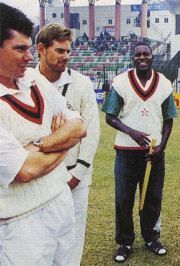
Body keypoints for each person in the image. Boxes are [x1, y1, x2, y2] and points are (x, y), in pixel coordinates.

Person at [0, 3, 87, 265]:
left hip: (60, 200)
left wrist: (41, 145)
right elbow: (25, 170)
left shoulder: (34, 81)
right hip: (20, 219)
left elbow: (79, 127)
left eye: (29, 48)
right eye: (19, 49)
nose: (29, 57)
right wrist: (64, 141)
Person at [102, 42, 177, 263]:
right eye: (138, 54)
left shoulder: (163, 84)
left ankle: (152, 238)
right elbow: (110, 116)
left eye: (146, 54)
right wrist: (131, 131)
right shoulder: (121, 82)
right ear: (132, 58)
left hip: (154, 154)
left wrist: (161, 147)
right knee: (124, 198)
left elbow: (168, 119)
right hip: (126, 153)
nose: (142, 57)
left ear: (152, 57)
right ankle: (124, 242)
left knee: (153, 197)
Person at [35, 23, 100, 265]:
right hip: (40, 172)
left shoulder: (81, 83)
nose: (66, 57)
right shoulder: (27, 82)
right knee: (41, 233)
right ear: (41, 49)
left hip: (75, 174)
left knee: (72, 233)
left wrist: (78, 172)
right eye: (60, 51)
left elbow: (91, 130)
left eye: (68, 51)